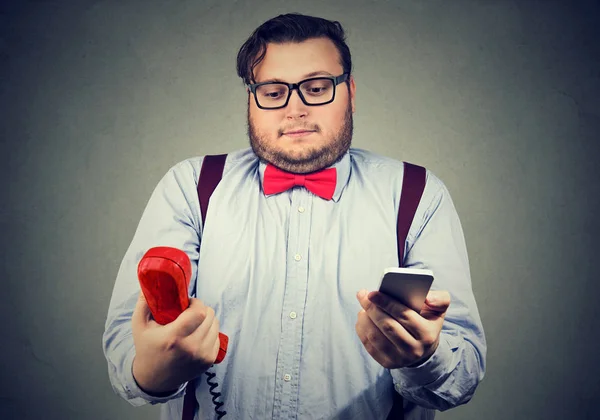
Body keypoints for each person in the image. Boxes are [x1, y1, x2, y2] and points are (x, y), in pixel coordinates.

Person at [103, 13, 486, 420]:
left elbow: (464, 374)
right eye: (272, 92)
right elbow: (125, 351)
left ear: (350, 93)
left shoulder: (419, 193)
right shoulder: (189, 187)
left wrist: (423, 358)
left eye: (317, 88)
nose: (296, 108)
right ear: (251, 99)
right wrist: (155, 367)